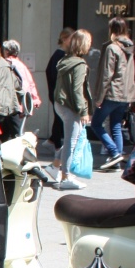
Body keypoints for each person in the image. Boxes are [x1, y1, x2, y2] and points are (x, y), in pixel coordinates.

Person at [88, 16, 135, 170]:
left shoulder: (112, 48)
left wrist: (99, 97)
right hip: (124, 93)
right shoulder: (129, 47)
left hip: (112, 93)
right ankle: (117, 157)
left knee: (96, 123)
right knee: (115, 125)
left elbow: (107, 74)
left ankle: (114, 153)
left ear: (112, 30)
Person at [52, 29, 93, 190]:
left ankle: (55, 166)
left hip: (61, 104)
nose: (90, 45)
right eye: (89, 42)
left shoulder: (66, 60)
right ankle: (65, 175)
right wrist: (83, 111)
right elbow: (77, 90)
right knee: (71, 141)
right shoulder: (79, 64)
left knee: (71, 139)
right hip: (71, 106)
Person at [45, 27, 73, 152]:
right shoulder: (60, 55)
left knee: (59, 117)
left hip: (56, 92)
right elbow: (52, 74)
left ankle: (54, 139)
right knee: (61, 118)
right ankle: (56, 144)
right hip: (58, 93)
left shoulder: (60, 55)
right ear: (65, 39)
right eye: (72, 39)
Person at [2, 39, 40, 115]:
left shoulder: (5, 64)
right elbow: (31, 83)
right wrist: (35, 99)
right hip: (23, 102)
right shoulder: (22, 65)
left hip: (11, 103)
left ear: (6, 51)